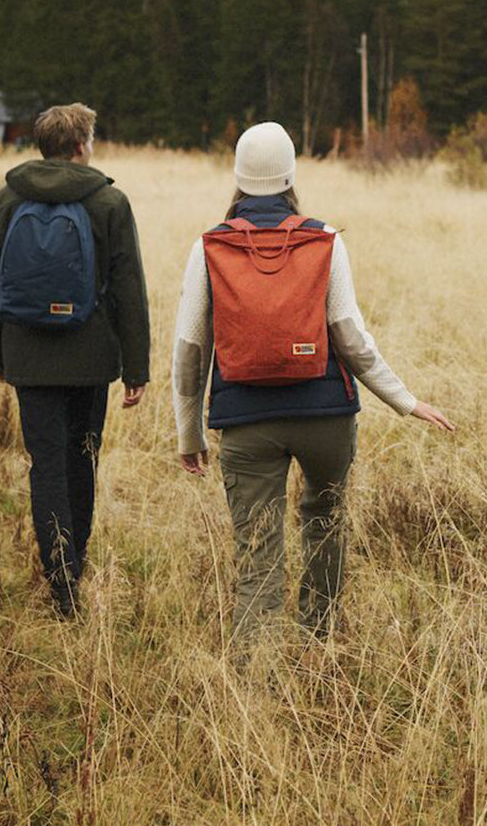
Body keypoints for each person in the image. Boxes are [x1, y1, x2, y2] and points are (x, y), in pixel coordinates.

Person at [172, 121, 453, 646]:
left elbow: (190, 352)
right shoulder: (324, 242)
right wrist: (405, 401)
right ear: (291, 175)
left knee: (259, 549)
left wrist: (189, 434)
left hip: (246, 421)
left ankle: (254, 678)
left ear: (237, 177)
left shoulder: (208, 248)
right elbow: (351, 340)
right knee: (325, 522)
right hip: (326, 416)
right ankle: (317, 643)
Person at [0, 102, 150, 616]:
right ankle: (77, 560)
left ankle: (61, 584)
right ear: (80, 145)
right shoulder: (109, 202)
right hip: (92, 358)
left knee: (46, 464)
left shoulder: (6, 200)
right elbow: (129, 289)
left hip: (28, 356)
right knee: (82, 459)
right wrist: (135, 367)